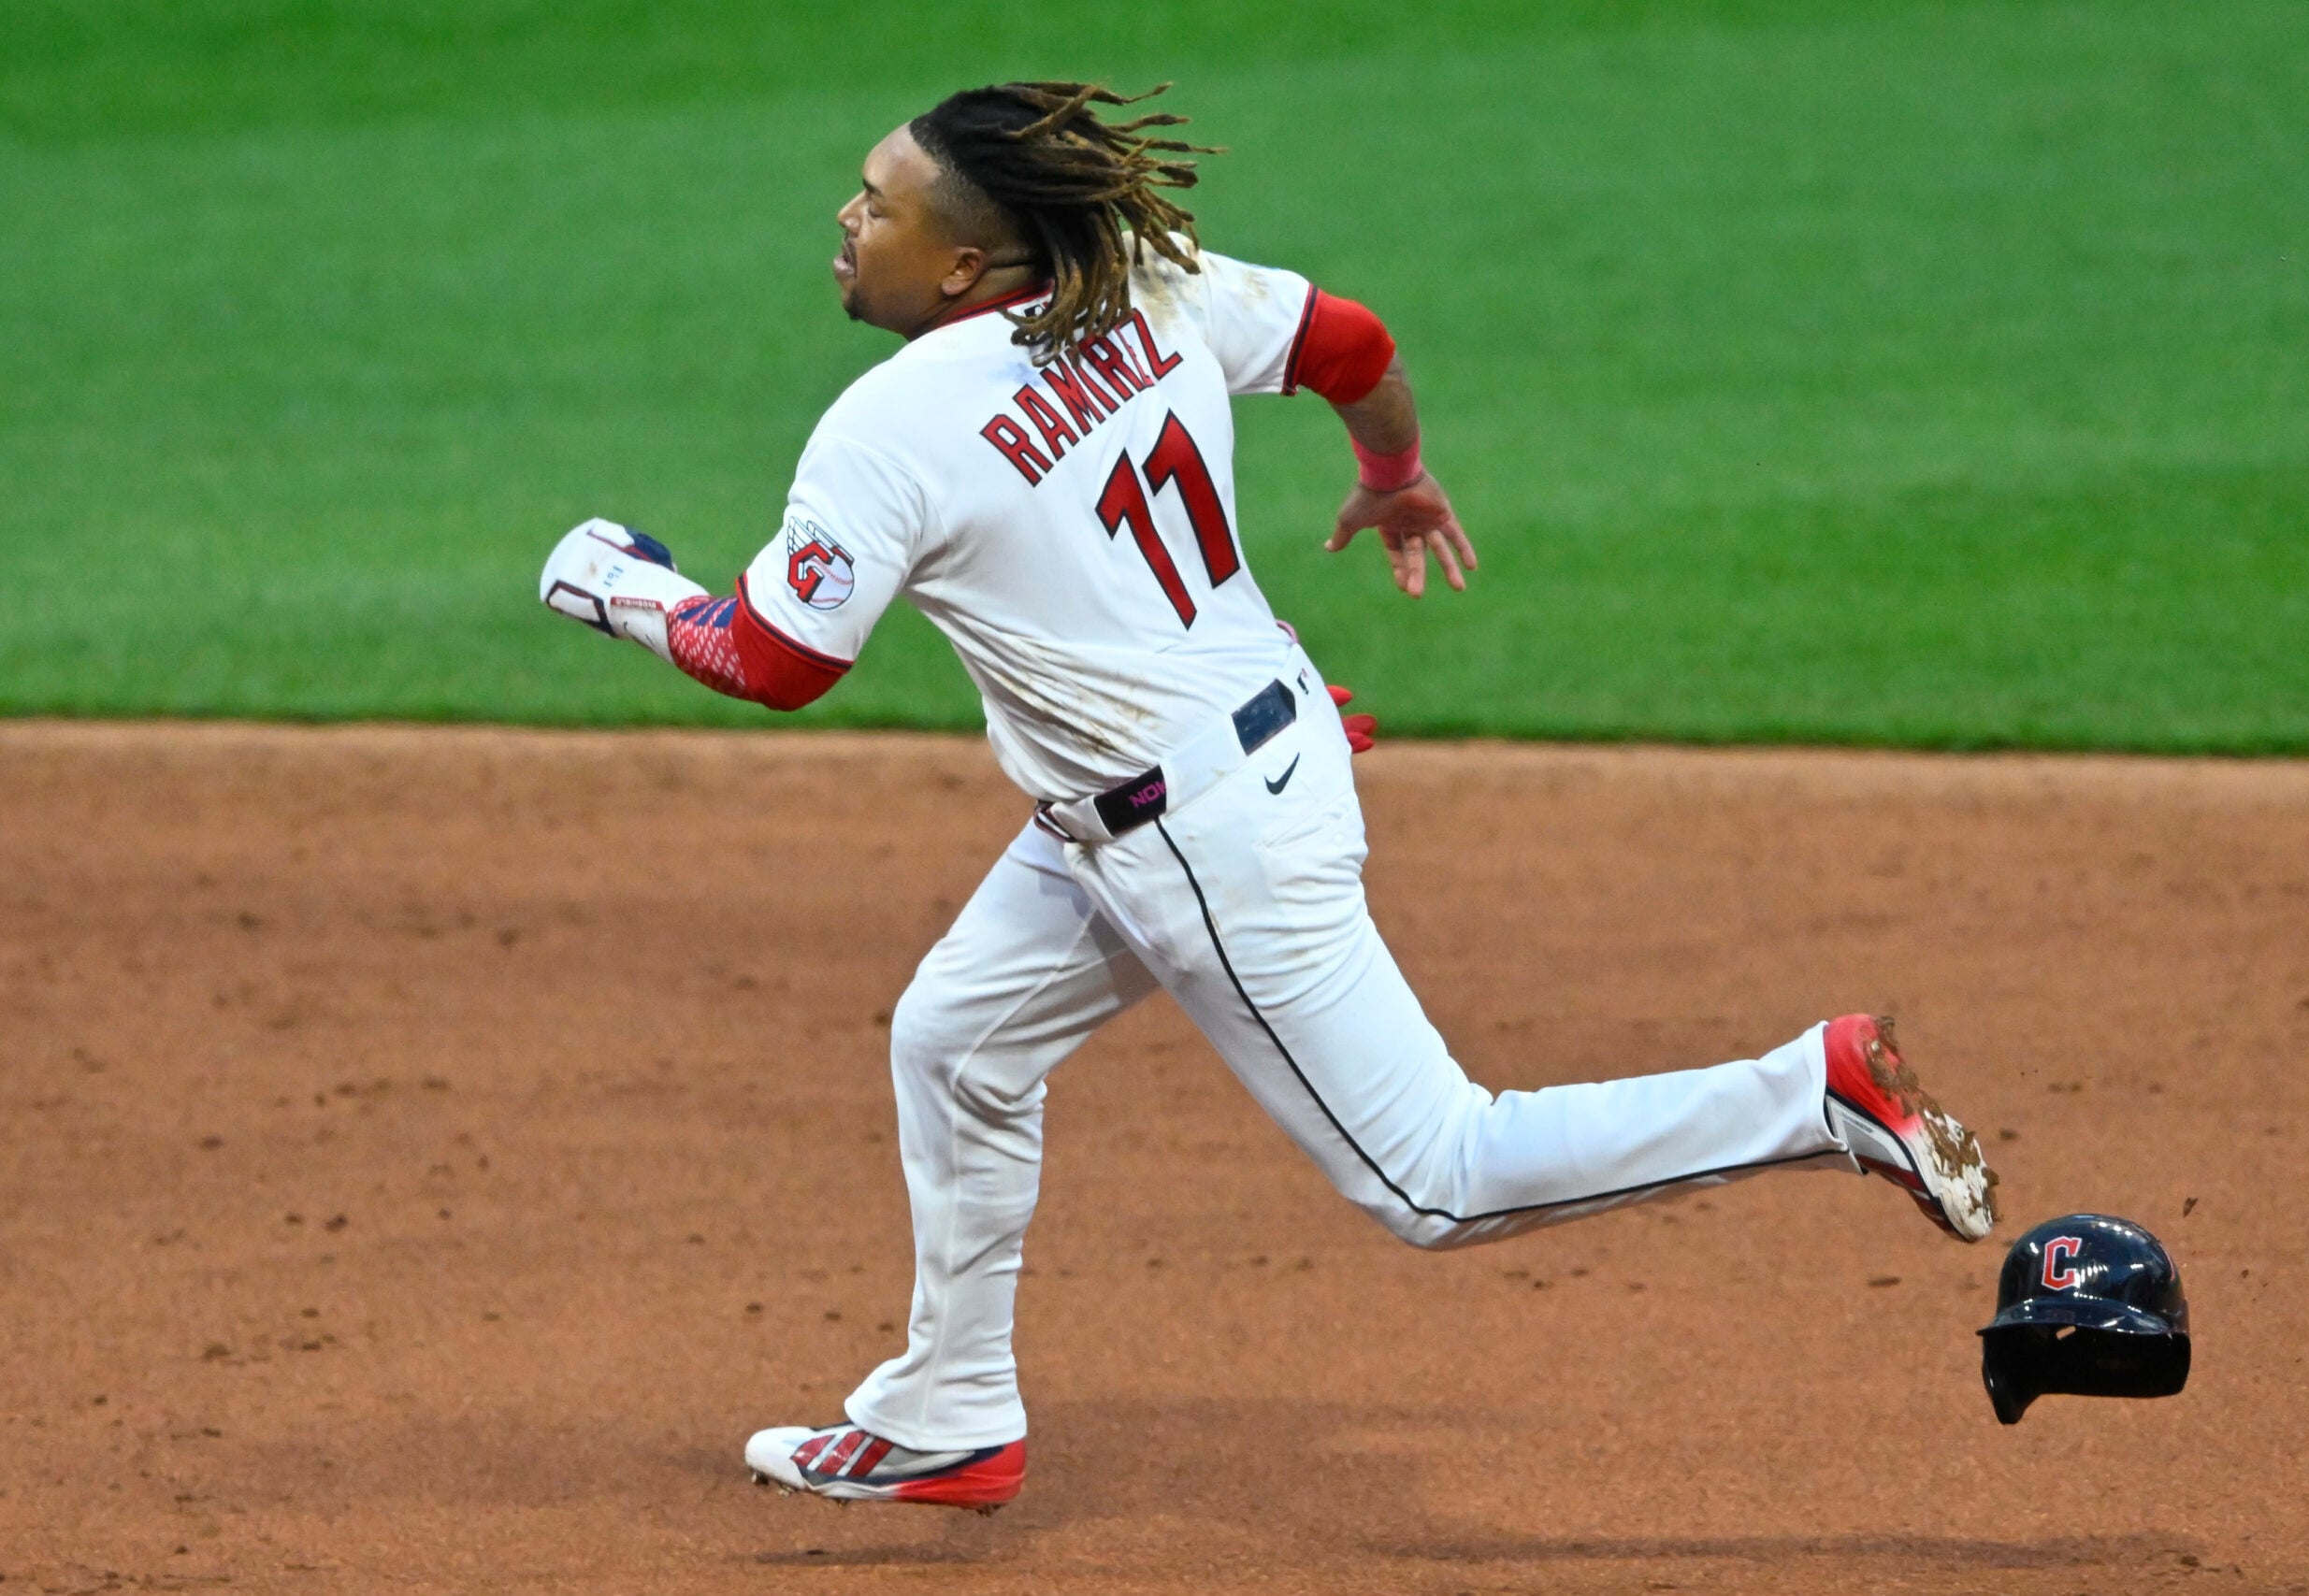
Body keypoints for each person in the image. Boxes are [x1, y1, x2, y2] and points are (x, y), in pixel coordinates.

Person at [537, 80, 1997, 1514]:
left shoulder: (888, 424)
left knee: (1440, 1177)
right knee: (959, 1039)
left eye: (879, 204)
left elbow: (779, 659)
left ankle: (1811, 1093)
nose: (846, 219)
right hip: (1220, 762)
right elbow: (1347, 342)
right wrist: (1398, 472)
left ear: (966, 264)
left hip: (1196, 834)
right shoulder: (1141, 285)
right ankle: (950, 1415)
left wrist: (620, 589)